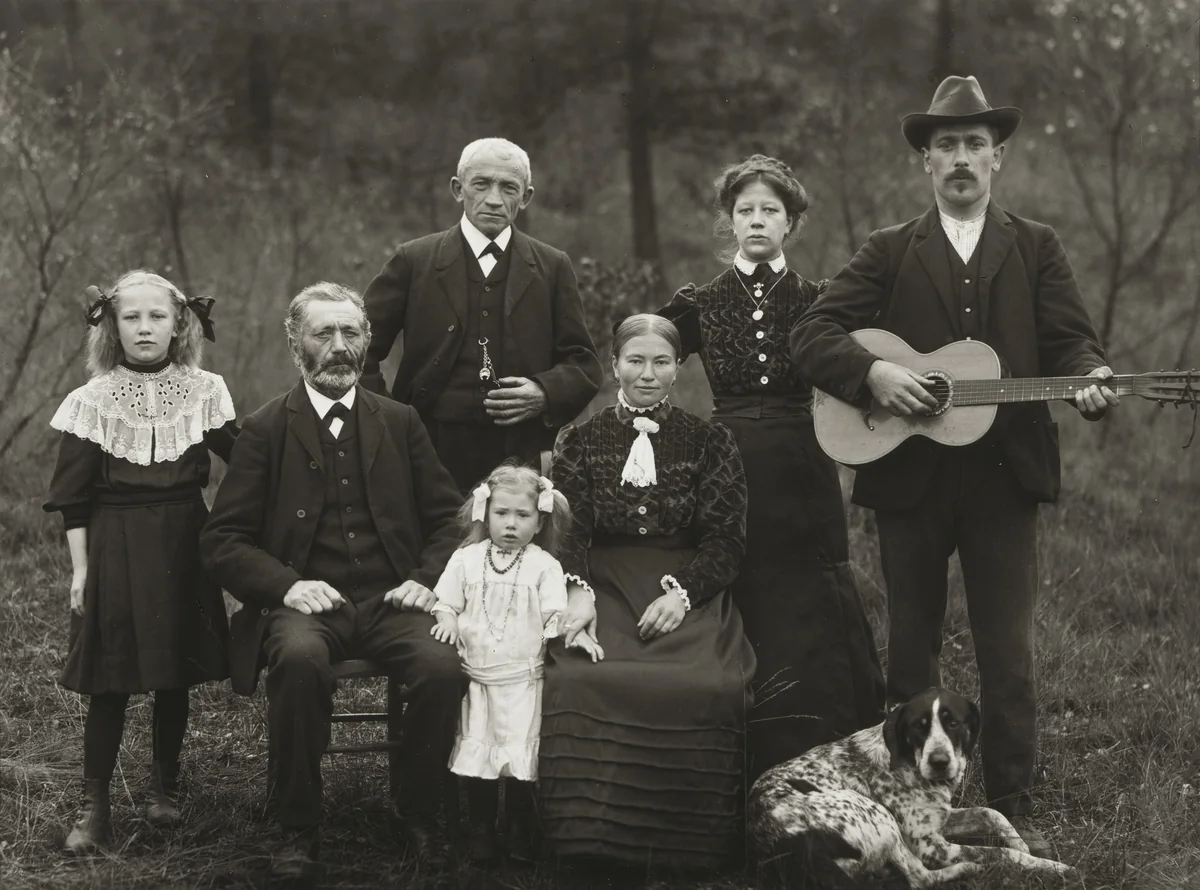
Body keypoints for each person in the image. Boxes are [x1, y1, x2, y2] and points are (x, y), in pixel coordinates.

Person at [790, 76, 1119, 858]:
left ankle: (1014, 808)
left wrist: (1091, 376)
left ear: (998, 157)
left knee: (1009, 655)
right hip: (911, 481)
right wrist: (873, 376)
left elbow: (1073, 341)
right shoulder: (890, 249)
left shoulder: (1036, 245)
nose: (962, 158)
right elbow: (812, 332)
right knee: (911, 648)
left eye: (976, 145)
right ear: (925, 163)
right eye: (947, 146)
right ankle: (911, 804)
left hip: (1005, 480)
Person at [200, 281, 466, 883]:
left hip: (395, 601)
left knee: (442, 667)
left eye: (351, 333)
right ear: (296, 344)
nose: (339, 346)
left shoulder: (400, 421)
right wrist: (287, 587)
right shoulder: (265, 429)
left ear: (369, 342)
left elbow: (452, 518)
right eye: (324, 333)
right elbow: (222, 542)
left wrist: (427, 581)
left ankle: (419, 811)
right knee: (296, 660)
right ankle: (298, 824)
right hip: (305, 607)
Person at [659, 155, 886, 780]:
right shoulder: (699, 302)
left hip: (802, 460)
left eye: (770, 211)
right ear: (728, 222)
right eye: (745, 211)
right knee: (736, 578)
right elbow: (645, 355)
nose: (756, 221)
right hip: (727, 459)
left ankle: (828, 741)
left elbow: (864, 361)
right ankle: (735, 751)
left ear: (792, 223)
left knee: (810, 589)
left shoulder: (819, 300)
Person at [538, 314, 756, 871]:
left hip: (683, 585)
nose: (647, 373)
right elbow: (569, 531)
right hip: (601, 582)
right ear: (614, 367)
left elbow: (726, 541)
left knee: (709, 684)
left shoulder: (711, 440)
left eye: (661, 362)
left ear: (678, 370)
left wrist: (683, 594)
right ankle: (585, 844)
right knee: (577, 673)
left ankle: (693, 849)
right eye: (635, 360)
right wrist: (576, 590)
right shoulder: (580, 439)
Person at [43, 271, 237, 854]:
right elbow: (72, 498)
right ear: (111, 325)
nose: (145, 328)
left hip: (184, 540)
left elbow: (251, 459)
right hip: (114, 545)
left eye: (157, 316)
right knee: (112, 679)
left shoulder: (205, 390)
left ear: (180, 324)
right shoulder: (91, 401)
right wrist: (81, 570)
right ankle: (94, 806)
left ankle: (164, 788)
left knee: (173, 671)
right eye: (132, 317)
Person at [360, 137, 603, 492]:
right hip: (425, 448)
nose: (493, 199)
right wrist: (388, 419)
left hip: (516, 459)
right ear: (458, 189)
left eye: (508, 188)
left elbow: (583, 364)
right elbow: (357, 347)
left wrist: (544, 392)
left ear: (526, 197)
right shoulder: (414, 260)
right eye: (481, 184)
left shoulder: (552, 267)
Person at [430, 464, 598, 863]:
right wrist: (448, 619)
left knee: (523, 757)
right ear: (483, 514)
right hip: (479, 679)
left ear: (539, 522)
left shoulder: (544, 566)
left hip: (523, 680)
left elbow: (555, 616)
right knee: (480, 755)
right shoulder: (466, 559)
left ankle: (521, 827)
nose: (510, 524)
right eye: (501, 514)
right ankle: (482, 827)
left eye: (522, 516)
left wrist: (578, 631)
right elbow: (446, 601)